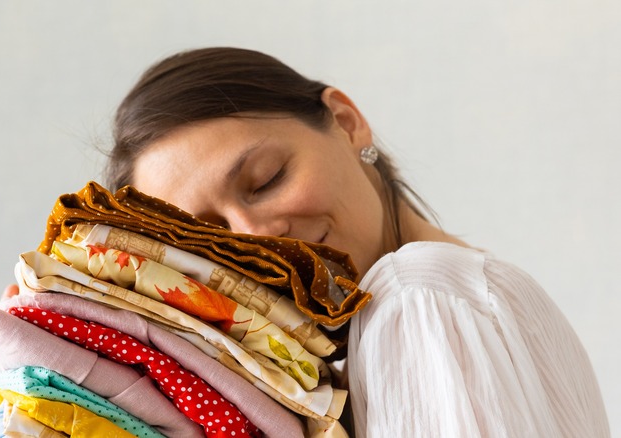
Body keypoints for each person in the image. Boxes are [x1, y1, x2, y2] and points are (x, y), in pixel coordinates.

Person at [94, 47, 610, 437]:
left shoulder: (417, 298)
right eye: (208, 237)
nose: (256, 237)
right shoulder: (437, 298)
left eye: (268, 178)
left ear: (346, 122)